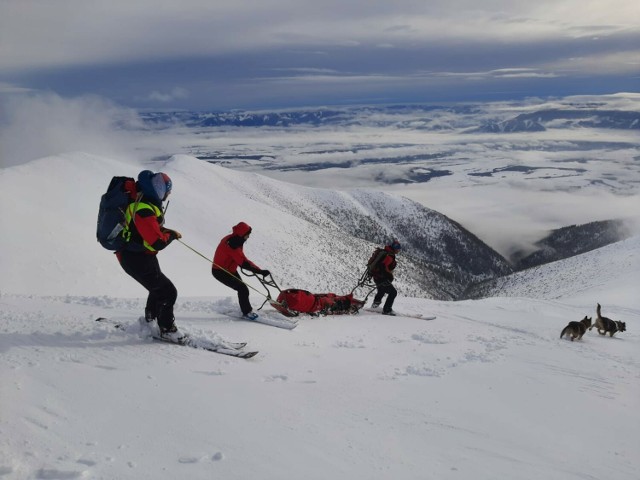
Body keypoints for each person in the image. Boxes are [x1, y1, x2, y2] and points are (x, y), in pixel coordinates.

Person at [117, 170, 183, 340]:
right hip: (136, 259)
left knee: (157, 288)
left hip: (140, 256)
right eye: (165, 190)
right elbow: (157, 242)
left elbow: (147, 231)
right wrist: (172, 236)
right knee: (168, 292)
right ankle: (167, 329)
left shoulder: (144, 202)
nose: (167, 194)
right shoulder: (143, 209)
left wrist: (167, 232)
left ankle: (149, 321)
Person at [212, 222, 270, 320]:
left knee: (242, 289)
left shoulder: (233, 239)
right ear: (242, 234)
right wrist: (260, 271)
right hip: (220, 272)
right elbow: (244, 263)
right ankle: (247, 312)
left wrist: (258, 270)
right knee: (243, 289)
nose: (248, 237)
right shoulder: (233, 245)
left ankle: (246, 309)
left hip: (229, 270)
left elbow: (241, 258)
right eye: (247, 235)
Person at [370, 239, 401, 315]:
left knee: (381, 290)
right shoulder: (389, 256)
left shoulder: (386, 252)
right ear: (395, 248)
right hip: (381, 278)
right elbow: (382, 266)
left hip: (376, 276)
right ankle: (387, 310)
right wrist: (388, 276)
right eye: (398, 249)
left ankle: (375, 305)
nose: (399, 251)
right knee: (393, 292)